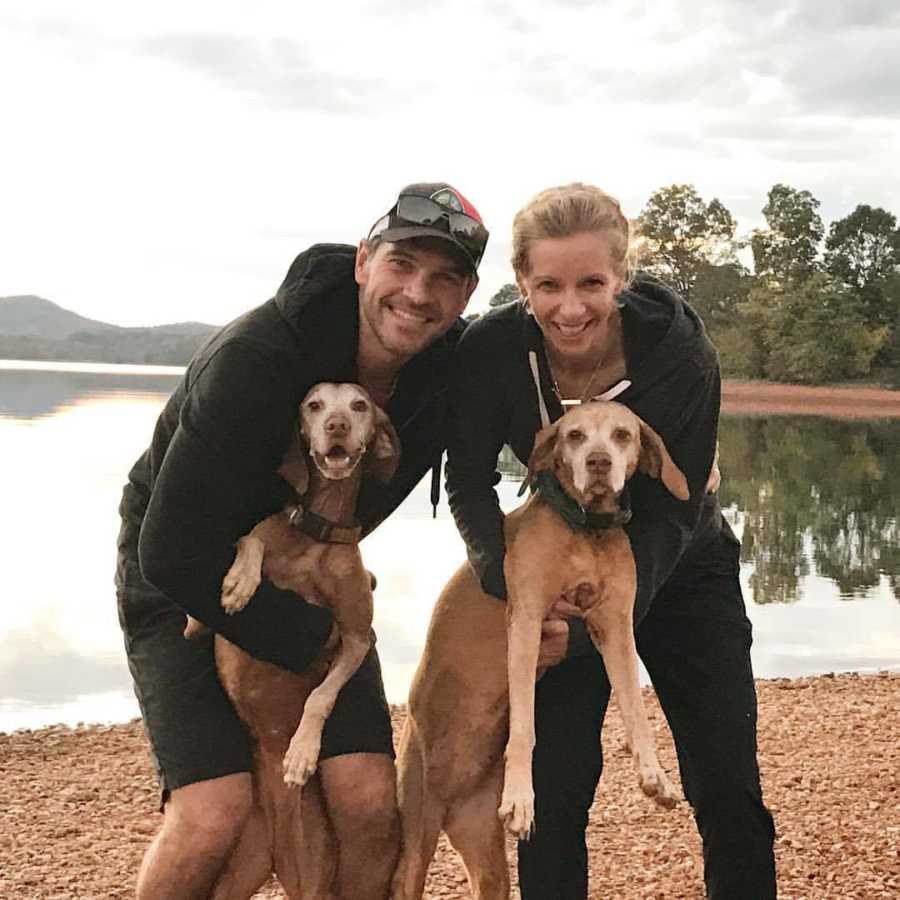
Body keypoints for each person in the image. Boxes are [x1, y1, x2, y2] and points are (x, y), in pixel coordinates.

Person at [115, 182, 488, 900]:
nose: (418, 293)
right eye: (403, 264)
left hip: (317, 565)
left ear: (467, 296)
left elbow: (550, 354)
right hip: (181, 567)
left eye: (445, 277)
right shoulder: (258, 359)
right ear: (363, 263)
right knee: (214, 810)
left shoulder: (447, 370)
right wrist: (307, 639)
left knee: (367, 796)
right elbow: (169, 551)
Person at [446, 183, 776, 899]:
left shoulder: (679, 352)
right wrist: (512, 589)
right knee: (556, 798)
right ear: (522, 284)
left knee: (726, 786)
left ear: (619, 280)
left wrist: (620, 598)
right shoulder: (492, 352)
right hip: (561, 577)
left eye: (591, 283)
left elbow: (681, 502)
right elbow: (467, 479)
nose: (571, 308)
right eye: (549, 286)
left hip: (682, 565)